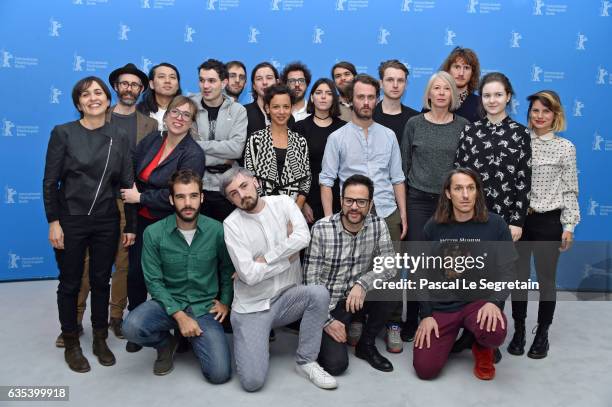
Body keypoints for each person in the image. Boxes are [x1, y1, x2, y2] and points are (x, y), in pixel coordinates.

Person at [54, 63, 158, 348]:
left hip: (126, 199)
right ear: (115, 88)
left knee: (121, 263)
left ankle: (115, 317)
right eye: (124, 83)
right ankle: (73, 321)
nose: (129, 88)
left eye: (135, 84)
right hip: (88, 205)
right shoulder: (94, 115)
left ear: (141, 89)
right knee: (83, 267)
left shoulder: (150, 124)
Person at [43, 76, 136, 372]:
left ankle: (99, 338)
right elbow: (50, 182)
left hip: (107, 219)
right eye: (85, 94)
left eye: (99, 93)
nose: (93, 98)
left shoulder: (119, 136)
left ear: (108, 100)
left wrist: (130, 225)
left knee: (100, 280)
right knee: (70, 282)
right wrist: (53, 222)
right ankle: (71, 340)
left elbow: (127, 183)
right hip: (70, 219)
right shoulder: (63, 133)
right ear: (78, 103)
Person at [221, 167, 337, 391]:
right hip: (252, 308)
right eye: (234, 193)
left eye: (244, 186)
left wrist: (265, 258)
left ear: (255, 182)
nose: (242, 195)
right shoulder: (231, 225)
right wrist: (286, 257)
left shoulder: (283, 203)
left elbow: (303, 237)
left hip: (287, 299)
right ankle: (253, 338)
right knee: (252, 382)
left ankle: (306, 361)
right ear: (230, 200)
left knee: (319, 294)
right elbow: (249, 276)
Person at [122, 170, 233, 381]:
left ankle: (189, 336)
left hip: (204, 307)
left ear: (202, 197)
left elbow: (227, 270)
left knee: (219, 374)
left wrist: (225, 302)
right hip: (167, 303)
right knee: (131, 327)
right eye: (181, 197)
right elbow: (153, 281)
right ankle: (167, 343)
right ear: (172, 200)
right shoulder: (154, 233)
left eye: (193, 196)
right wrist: (180, 316)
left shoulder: (217, 230)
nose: (187, 203)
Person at [452, 72, 531, 362]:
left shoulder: (521, 134)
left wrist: (517, 221)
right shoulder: (471, 132)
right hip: (472, 219)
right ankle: (471, 332)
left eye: (498, 95)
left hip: (504, 221)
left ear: (508, 97)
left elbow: (524, 180)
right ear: (481, 99)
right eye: (487, 95)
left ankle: (489, 338)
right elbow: (459, 175)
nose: (493, 100)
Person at [120, 95, 205, 352]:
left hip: (172, 224)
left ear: (191, 123)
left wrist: (142, 196)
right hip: (142, 219)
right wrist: (132, 226)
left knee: (172, 279)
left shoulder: (193, 153)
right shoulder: (152, 140)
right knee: (136, 274)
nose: (179, 118)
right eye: (175, 113)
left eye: (186, 115)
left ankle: (180, 330)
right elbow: (131, 178)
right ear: (166, 116)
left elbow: (182, 196)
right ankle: (138, 328)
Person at [413, 168, 516, 381]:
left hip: (478, 302)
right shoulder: (433, 227)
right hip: (444, 306)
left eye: (471, 188)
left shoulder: (496, 225)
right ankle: (453, 338)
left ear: (478, 192)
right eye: (458, 189)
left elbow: (509, 270)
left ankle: (481, 345)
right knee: (425, 369)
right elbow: (420, 273)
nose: (465, 195)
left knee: (495, 332)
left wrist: (494, 302)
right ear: (448, 193)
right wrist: (426, 315)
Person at [507, 90, 580, 359]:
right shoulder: (519, 141)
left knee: (547, 280)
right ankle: (519, 330)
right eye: (535, 111)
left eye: (545, 111)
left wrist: (569, 225)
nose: (539, 116)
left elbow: (570, 189)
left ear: (555, 115)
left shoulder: (565, 148)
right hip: (519, 220)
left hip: (549, 221)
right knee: (518, 279)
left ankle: (542, 333)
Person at [304, 174, 397, 374]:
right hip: (330, 304)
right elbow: (309, 283)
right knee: (336, 366)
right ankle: (341, 328)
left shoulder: (378, 225)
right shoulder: (322, 228)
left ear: (370, 204)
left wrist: (363, 284)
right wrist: (326, 321)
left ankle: (366, 343)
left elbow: (390, 264)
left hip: (358, 297)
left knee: (391, 283)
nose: (354, 207)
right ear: (341, 201)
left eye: (361, 201)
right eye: (349, 200)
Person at [320, 74, 407, 242]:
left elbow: (397, 179)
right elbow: (326, 181)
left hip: (388, 215)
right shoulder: (336, 138)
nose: (366, 102)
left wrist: (402, 214)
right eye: (361, 97)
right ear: (351, 99)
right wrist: (329, 220)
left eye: (371, 97)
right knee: (353, 269)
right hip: (351, 217)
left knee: (390, 268)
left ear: (377, 99)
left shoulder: (389, 135)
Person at [190, 58, 248, 222]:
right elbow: (186, 149)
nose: (205, 86)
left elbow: (236, 149)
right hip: (196, 184)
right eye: (202, 80)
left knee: (227, 240)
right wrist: (223, 153)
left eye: (211, 81)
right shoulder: (189, 106)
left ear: (224, 83)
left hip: (227, 186)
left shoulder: (238, 110)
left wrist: (199, 147)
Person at [244, 84, 311, 208]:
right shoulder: (256, 139)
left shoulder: (300, 141)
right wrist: (264, 209)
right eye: (276, 107)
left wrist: (296, 209)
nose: (281, 112)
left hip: (293, 209)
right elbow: (249, 177)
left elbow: (306, 180)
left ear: (291, 108)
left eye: (286, 107)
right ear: (267, 108)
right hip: (261, 209)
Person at [293, 78, 346, 223]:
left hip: (339, 197)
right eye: (318, 92)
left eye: (328, 93)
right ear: (311, 97)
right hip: (308, 197)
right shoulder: (299, 127)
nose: (323, 97)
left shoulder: (345, 128)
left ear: (334, 99)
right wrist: (302, 202)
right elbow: (294, 169)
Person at [244, 62, 295, 137]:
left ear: (277, 82)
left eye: (269, 78)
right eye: (259, 79)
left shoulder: (288, 117)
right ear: (254, 86)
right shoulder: (243, 112)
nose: (264, 82)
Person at [373, 59, 419, 143]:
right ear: (381, 84)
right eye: (390, 80)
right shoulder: (369, 116)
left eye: (400, 80)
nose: (395, 85)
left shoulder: (416, 119)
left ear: (406, 84)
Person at [439, 47, 482, 123]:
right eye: (457, 67)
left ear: (472, 73)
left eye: (466, 68)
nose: (461, 73)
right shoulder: (436, 100)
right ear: (448, 70)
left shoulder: (481, 104)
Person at [137, 62, 182, 130]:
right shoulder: (138, 112)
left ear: (178, 85)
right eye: (161, 77)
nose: (167, 81)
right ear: (151, 84)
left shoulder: (188, 111)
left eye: (172, 77)